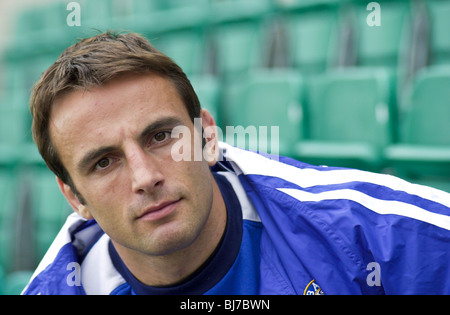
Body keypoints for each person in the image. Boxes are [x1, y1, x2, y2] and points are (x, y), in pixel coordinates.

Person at [23, 31, 450, 295]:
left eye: (160, 136)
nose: (146, 177)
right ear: (74, 196)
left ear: (208, 137)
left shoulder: (368, 231)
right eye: (103, 162)